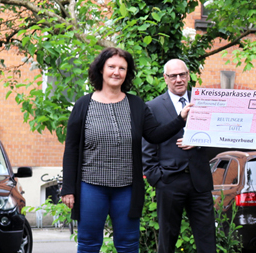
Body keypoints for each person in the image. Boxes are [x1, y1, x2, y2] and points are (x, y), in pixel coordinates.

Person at [61, 48, 193, 253]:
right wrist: (68, 188)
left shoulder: (136, 104)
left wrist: (180, 119)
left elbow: (155, 135)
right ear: (101, 70)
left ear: (127, 73)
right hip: (91, 187)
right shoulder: (83, 105)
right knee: (88, 243)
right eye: (111, 67)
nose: (116, 72)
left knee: (128, 244)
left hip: (127, 189)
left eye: (122, 68)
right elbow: (71, 149)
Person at [142, 59, 215, 253]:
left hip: (199, 181)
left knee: (207, 240)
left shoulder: (204, 102)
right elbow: (148, 148)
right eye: (173, 76)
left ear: (188, 75)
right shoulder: (153, 107)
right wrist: (157, 178)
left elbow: (218, 137)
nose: (178, 79)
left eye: (182, 75)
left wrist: (200, 140)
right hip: (169, 181)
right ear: (165, 78)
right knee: (167, 240)